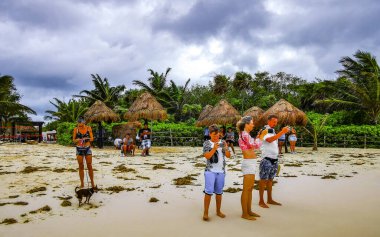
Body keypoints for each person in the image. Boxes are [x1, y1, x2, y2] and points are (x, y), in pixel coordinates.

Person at [237, 116, 267, 220]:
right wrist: (262, 136)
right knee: (246, 189)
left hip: (251, 163)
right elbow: (254, 145)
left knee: (250, 189)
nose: (253, 125)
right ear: (246, 124)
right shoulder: (244, 133)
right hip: (248, 163)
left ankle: (248, 211)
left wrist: (259, 136)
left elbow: (252, 143)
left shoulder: (245, 134)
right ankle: (244, 213)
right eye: (252, 123)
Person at [258, 115, 289, 208]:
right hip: (266, 158)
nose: (275, 123)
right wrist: (282, 132)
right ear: (268, 121)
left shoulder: (272, 130)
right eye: (273, 121)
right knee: (263, 180)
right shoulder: (265, 130)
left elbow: (273, 140)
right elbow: (269, 140)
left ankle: (269, 199)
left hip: (274, 159)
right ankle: (261, 201)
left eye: (276, 122)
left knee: (270, 180)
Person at [202, 124, 231, 221]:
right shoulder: (206, 143)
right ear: (210, 134)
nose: (216, 136)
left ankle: (218, 211)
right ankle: (205, 213)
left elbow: (228, 156)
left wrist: (226, 147)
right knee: (208, 192)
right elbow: (207, 156)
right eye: (214, 135)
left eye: (217, 134)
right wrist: (214, 148)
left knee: (219, 192)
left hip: (221, 171)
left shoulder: (223, 142)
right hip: (210, 171)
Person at [72, 117, 95, 188]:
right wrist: (78, 140)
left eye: (81, 125)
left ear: (84, 122)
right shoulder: (76, 129)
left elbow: (92, 139)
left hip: (87, 148)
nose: (79, 126)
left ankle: (92, 182)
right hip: (79, 148)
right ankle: (82, 183)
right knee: (81, 166)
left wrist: (86, 139)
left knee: (89, 165)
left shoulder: (88, 128)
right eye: (78, 125)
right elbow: (73, 140)